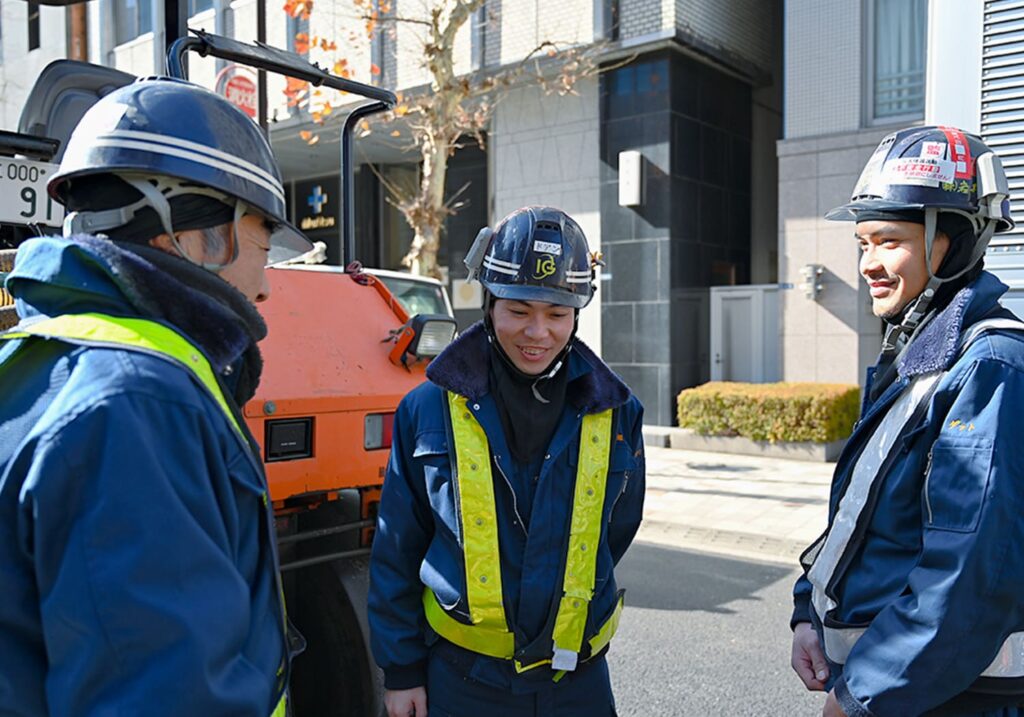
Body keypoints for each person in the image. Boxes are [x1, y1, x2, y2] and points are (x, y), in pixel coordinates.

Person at [0, 77, 311, 715]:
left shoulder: (47, 364)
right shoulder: (138, 405)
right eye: (261, 240)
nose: (266, 287)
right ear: (195, 233)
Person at [368, 207, 646, 717]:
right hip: (463, 680)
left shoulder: (618, 411)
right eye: (519, 310)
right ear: (490, 304)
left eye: (557, 314)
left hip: (577, 681)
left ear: (577, 315)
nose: (537, 331)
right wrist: (402, 671)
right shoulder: (426, 409)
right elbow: (397, 549)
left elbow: (616, 529)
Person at [790, 125, 1024, 717]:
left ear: (958, 242)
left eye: (889, 241)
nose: (869, 262)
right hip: (896, 686)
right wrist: (808, 615)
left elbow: (967, 572)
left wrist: (863, 696)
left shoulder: (991, 366)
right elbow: (861, 517)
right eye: (864, 241)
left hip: (950, 697)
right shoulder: (920, 354)